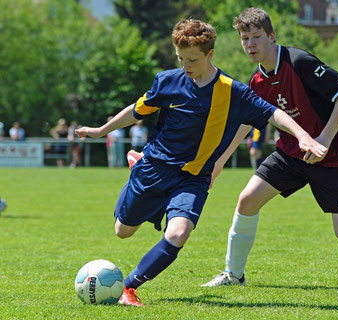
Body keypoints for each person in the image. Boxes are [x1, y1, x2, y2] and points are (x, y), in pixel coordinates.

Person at [75, 18, 325, 307]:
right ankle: (136, 168)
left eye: (192, 59)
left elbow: (273, 113)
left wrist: (302, 135)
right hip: (154, 168)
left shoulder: (234, 91)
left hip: (193, 178)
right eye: (180, 58)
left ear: (210, 55)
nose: (185, 65)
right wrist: (100, 130)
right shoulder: (167, 81)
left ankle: (128, 288)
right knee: (123, 231)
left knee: (179, 233)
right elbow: (137, 110)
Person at [201, 8, 338, 288]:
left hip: (334, 155)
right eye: (245, 38)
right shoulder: (257, 82)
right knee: (247, 200)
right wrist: (220, 160)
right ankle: (233, 275)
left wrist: (324, 138)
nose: (251, 44)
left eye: (257, 37)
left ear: (272, 36)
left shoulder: (299, 61)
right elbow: (247, 122)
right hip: (292, 153)